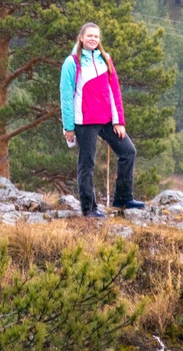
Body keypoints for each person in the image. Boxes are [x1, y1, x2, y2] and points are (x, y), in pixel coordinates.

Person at [60, 22, 144, 218]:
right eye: (89, 36)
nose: (93, 39)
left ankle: (123, 198)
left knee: (128, 152)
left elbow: (115, 92)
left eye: (96, 37)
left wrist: (119, 121)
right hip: (84, 121)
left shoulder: (106, 59)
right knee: (86, 165)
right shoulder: (72, 63)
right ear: (81, 38)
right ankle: (88, 209)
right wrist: (68, 127)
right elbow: (65, 97)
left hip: (107, 119)